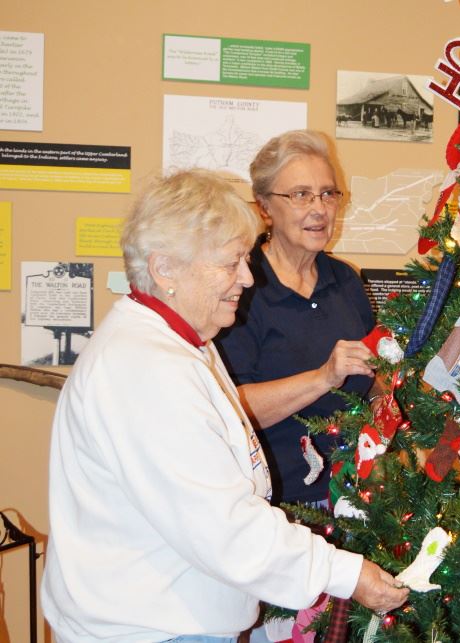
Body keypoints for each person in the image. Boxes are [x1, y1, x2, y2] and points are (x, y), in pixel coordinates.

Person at [41, 169, 408, 642]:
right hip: (149, 628)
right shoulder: (146, 369)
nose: (247, 277)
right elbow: (222, 528)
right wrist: (345, 573)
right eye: (231, 263)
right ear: (164, 269)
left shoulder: (183, 341)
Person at [216, 130, 378, 511]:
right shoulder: (241, 285)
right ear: (264, 208)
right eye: (301, 195)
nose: (319, 209)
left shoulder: (347, 280)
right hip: (274, 504)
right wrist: (324, 377)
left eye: (328, 193)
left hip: (356, 497)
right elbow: (231, 408)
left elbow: (372, 381)